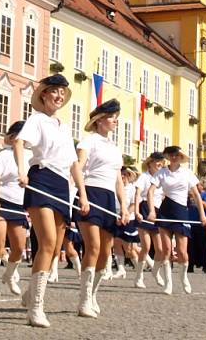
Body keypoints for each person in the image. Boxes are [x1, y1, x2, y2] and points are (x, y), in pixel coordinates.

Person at [14, 74, 89, 328]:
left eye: (62, 93)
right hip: (41, 178)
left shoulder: (64, 127)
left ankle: (30, 293)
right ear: (44, 95)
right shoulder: (36, 120)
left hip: (60, 185)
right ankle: (36, 308)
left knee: (56, 248)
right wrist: (22, 171)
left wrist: (83, 194)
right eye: (54, 91)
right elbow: (19, 143)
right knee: (46, 242)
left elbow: (73, 164)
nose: (58, 96)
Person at [74, 99, 127, 318]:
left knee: (105, 253)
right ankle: (84, 299)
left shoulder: (115, 149)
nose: (115, 121)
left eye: (116, 117)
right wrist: (82, 195)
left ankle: (93, 293)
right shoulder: (89, 141)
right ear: (100, 120)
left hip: (108, 199)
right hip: (91, 192)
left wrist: (123, 206)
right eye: (112, 117)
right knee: (93, 246)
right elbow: (78, 167)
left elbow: (118, 181)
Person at [147, 145, 206, 295]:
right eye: (171, 155)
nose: (174, 157)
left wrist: (202, 215)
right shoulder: (162, 173)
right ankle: (168, 283)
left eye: (176, 155)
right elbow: (151, 191)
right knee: (166, 250)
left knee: (182, 251)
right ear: (168, 157)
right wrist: (152, 211)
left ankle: (184, 277)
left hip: (181, 212)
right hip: (166, 211)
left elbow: (196, 195)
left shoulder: (187, 173)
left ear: (180, 157)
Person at [0, 121, 30, 297]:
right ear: (13, 137)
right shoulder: (4, 154)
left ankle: (10, 275)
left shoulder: (30, 156)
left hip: (18, 205)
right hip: (0, 202)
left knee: (19, 248)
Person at [132, 151, 165, 289]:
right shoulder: (144, 177)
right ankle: (139, 277)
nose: (159, 164)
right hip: (145, 208)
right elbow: (138, 194)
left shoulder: (161, 177)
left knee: (160, 248)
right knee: (146, 246)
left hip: (157, 211)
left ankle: (155, 271)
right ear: (150, 163)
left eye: (161, 162)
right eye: (156, 161)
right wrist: (136, 212)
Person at [113, 166, 140, 278]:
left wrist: (126, 214)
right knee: (116, 243)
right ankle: (121, 268)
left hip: (129, 219)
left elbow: (134, 204)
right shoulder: (116, 187)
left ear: (128, 176)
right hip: (116, 217)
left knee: (129, 249)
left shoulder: (133, 188)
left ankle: (139, 271)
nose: (122, 177)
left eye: (124, 174)